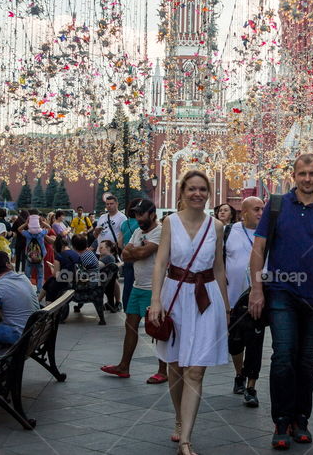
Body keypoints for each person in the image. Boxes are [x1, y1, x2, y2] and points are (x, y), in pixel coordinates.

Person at [248, 154, 313, 450]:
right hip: (280, 292)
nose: (307, 178)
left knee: (306, 362)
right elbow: (259, 248)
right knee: (282, 357)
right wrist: (257, 288)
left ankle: (301, 418)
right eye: (302, 173)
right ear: (294, 175)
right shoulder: (277, 206)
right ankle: (281, 420)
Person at [148, 171, 229, 455]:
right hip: (175, 297)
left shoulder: (217, 226)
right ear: (182, 192)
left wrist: (227, 307)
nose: (197, 194)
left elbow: (219, 268)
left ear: (209, 193)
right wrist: (155, 301)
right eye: (192, 189)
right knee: (176, 367)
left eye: (202, 189)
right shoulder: (170, 222)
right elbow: (160, 264)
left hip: (207, 299)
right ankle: (179, 419)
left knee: (195, 370)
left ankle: (186, 439)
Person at [100, 199, 169, 384]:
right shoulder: (138, 231)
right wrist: (135, 251)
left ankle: (163, 371)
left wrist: (134, 251)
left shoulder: (161, 231)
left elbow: (139, 254)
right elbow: (124, 254)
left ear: (152, 214)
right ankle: (124, 366)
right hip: (138, 286)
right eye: (136, 214)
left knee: (157, 329)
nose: (138, 217)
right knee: (130, 325)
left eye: (141, 214)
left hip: (155, 289)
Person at [224, 196, 265, 407]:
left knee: (255, 343)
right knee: (235, 343)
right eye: (256, 209)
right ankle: (239, 373)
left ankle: (251, 386)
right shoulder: (229, 232)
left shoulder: (267, 233)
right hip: (233, 299)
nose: (260, 213)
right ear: (244, 212)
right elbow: (219, 266)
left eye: (263, 209)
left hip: (258, 298)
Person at [121, 198, 144, 307]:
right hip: (139, 257)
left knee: (127, 285)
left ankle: (126, 308)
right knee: (140, 286)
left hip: (127, 257)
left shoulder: (124, 224)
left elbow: (120, 243)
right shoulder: (141, 223)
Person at [22, 209, 48, 289]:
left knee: (27, 276)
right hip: (40, 257)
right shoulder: (42, 233)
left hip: (29, 257)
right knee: (40, 275)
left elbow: (19, 229)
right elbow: (49, 228)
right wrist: (42, 222)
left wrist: (26, 223)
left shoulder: (27, 234)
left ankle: (28, 290)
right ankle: (39, 291)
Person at [10, 209, 29, 273]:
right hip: (26, 240)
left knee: (17, 256)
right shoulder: (28, 222)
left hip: (18, 240)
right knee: (24, 256)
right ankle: (23, 269)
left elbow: (13, 229)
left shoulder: (17, 221)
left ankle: (17, 269)